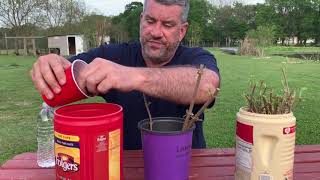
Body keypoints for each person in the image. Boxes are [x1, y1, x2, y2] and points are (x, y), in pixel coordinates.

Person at [30, 0, 220, 150]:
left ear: (182, 31)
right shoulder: (110, 55)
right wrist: (51, 66)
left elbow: (208, 87)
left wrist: (134, 77)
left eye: (168, 25)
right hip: (121, 166)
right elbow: (68, 73)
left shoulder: (196, 57)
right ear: (141, 20)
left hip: (185, 166)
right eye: (150, 21)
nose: (155, 32)